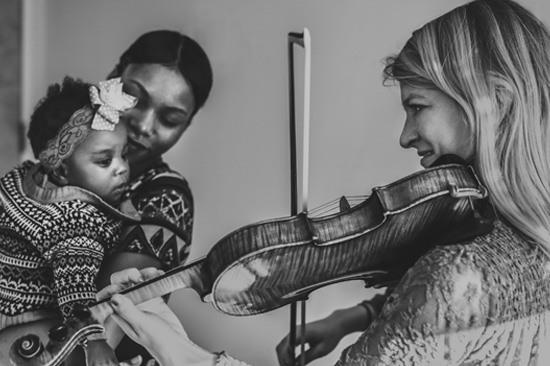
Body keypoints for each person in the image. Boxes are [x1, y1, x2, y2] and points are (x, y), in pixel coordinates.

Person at [100, 0, 550, 365]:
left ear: (495, 100)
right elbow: (463, 320)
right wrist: (358, 316)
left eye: (417, 106)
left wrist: (182, 353)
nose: (406, 135)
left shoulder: (457, 273)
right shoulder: (527, 243)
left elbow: (451, 297)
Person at [0, 76, 139, 365]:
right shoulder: (76, 219)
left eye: (124, 155)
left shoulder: (23, 179)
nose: (122, 169)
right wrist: (96, 343)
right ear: (63, 172)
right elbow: (76, 287)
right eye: (105, 161)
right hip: (30, 324)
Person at [94, 29, 214, 362]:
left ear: (186, 126)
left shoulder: (166, 197)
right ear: (110, 80)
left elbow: (97, 324)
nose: (144, 125)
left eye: (169, 119)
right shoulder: (61, 163)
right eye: (135, 98)